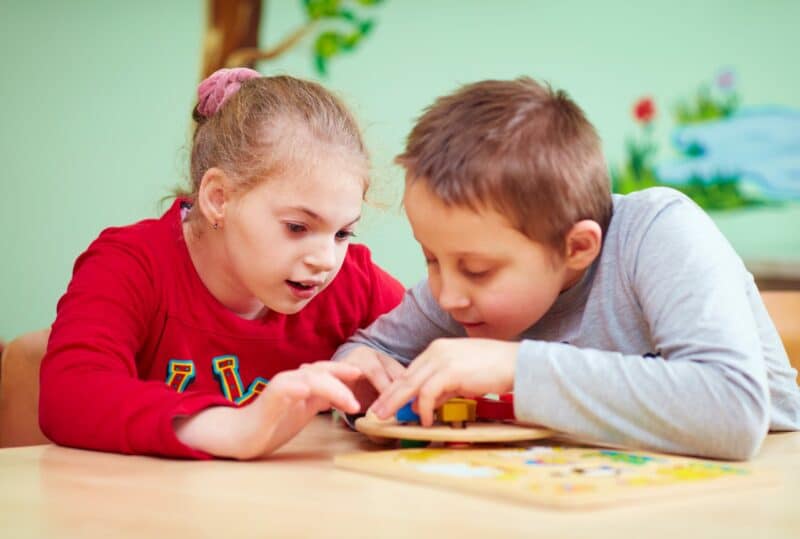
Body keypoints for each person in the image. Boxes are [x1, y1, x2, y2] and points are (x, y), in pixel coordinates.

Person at [334, 77, 800, 460]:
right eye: (430, 259)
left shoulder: (659, 233)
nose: (447, 295)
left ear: (577, 246)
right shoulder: (460, 293)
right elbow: (367, 352)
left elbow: (734, 412)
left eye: (476, 270)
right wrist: (361, 381)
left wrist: (515, 366)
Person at [39, 68, 404, 459]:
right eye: (297, 227)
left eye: (343, 234)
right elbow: (68, 393)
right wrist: (232, 429)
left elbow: (447, 359)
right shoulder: (131, 264)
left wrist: (378, 365)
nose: (325, 259)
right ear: (218, 198)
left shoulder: (352, 282)